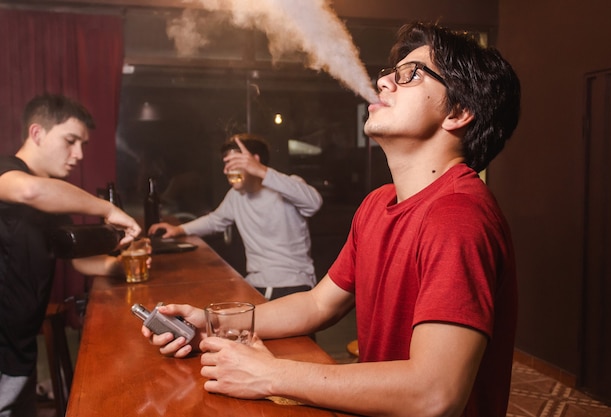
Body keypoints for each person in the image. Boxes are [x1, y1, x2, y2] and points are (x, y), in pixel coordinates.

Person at [144, 21, 520, 417]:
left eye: (409, 75)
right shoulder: (377, 204)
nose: (385, 84)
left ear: (459, 112)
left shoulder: (457, 216)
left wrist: (270, 374)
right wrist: (205, 321)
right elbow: (317, 305)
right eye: (389, 74)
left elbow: (434, 395)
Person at [0, 93, 141, 417]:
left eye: (83, 145)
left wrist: (129, 266)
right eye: (70, 141)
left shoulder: (52, 196)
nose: (78, 154)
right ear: (37, 133)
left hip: (19, 343)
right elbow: (29, 191)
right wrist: (108, 209)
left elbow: (77, 260)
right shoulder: (7, 171)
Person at [148, 133, 323, 300]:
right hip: (257, 282)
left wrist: (261, 171)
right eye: (226, 164)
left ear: (254, 161)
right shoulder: (236, 195)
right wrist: (178, 229)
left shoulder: (288, 185)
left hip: (293, 284)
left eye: (233, 163)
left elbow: (314, 203)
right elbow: (215, 220)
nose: (226, 170)